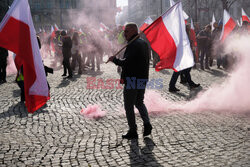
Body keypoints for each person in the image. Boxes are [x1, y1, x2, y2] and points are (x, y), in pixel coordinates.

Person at [108, 23, 152, 140]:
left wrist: (115, 60)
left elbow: (127, 62)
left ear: (133, 30)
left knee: (129, 106)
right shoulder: (142, 42)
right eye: (124, 31)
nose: (124, 34)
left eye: (126, 31)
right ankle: (147, 124)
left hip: (133, 79)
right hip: (142, 77)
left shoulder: (134, 44)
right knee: (139, 102)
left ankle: (133, 130)